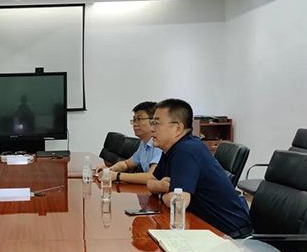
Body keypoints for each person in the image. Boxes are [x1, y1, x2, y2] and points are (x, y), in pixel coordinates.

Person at [146, 99, 251, 238]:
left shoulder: (186, 151)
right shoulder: (171, 150)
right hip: (206, 227)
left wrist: (164, 194)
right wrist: (160, 186)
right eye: (152, 123)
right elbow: (150, 182)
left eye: (156, 123)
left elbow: (179, 203)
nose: (152, 129)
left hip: (230, 235)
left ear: (178, 128)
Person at [96, 101, 162, 184]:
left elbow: (152, 177)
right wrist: (109, 170)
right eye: (134, 120)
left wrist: (117, 176)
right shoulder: (143, 143)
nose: (134, 124)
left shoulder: (159, 144)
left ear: (153, 121)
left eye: (139, 119)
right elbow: (126, 164)